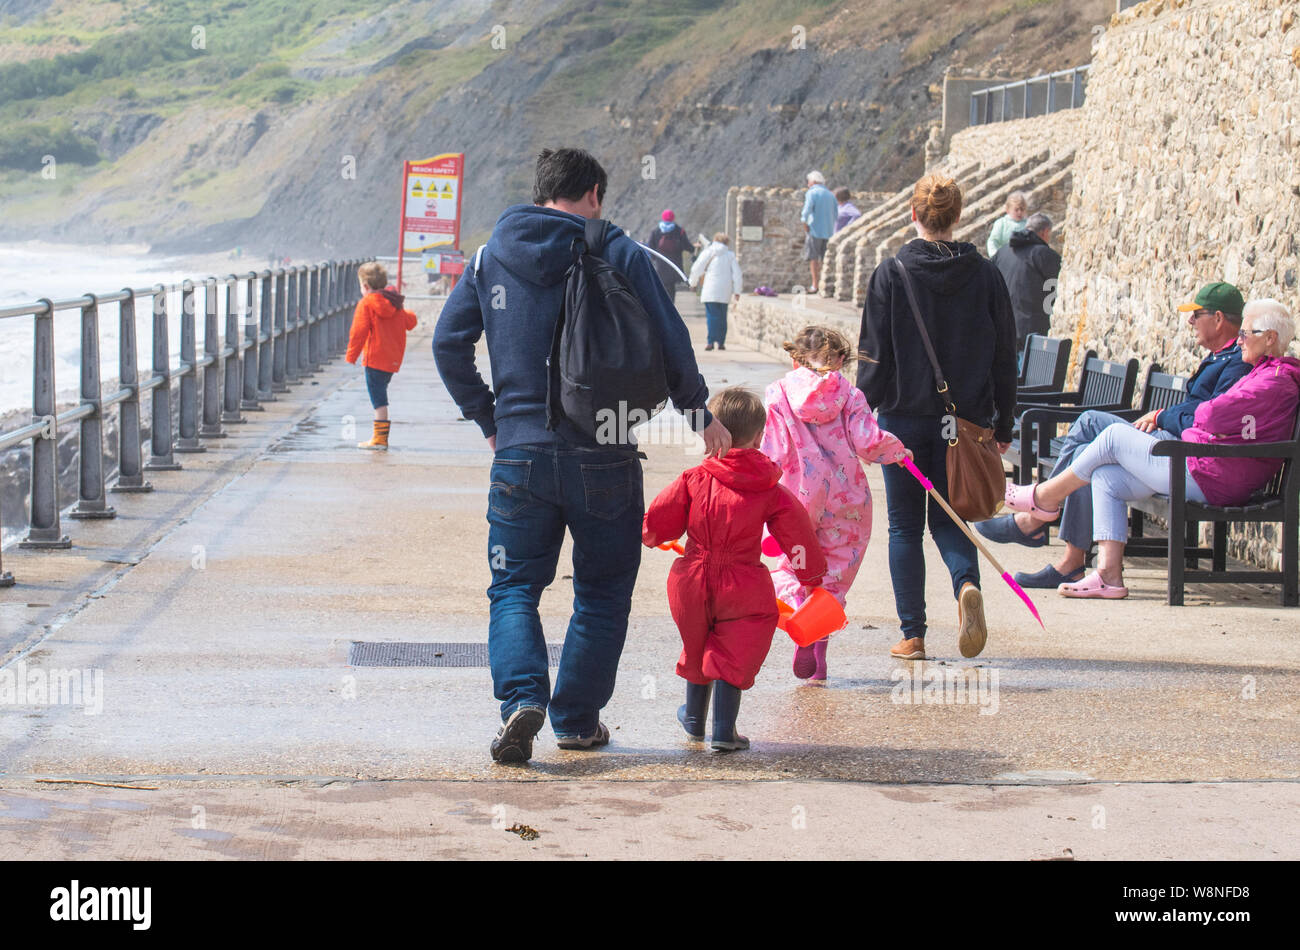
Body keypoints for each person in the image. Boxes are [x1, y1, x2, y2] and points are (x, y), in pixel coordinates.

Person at [433, 147, 731, 764]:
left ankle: (522, 699)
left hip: (519, 455)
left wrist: (490, 419)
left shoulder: (490, 257)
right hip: (606, 449)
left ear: (541, 191)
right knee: (602, 592)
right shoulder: (620, 251)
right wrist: (698, 413)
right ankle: (575, 720)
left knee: (514, 587)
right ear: (594, 193)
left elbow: (447, 344)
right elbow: (671, 337)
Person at [1001, 300, 1298, 598]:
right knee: (1106, 476)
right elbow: (1216, 417)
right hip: (1208, 466)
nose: (1240, 340)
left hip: (1213, 475)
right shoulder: (1264, 373)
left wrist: (1202, 424)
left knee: (1114, 436)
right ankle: (1108, 576)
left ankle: (1045, 497)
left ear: (1270, 338)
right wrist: (1204, 425)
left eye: (1246, 333)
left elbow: (1211, 414)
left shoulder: (1273, 381)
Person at [857, 174, 1018, 661]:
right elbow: (1004, 355)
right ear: (958, 215)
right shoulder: (986, 275)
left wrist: (858, 421)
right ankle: (966, 584)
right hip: (962, 425)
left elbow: (874, 358)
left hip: (902, 420)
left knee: (904, 527)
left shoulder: (891, 273)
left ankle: (913, 635)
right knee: (951, 518)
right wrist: (1003, 423)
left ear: (913, 214)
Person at [642, 387, 826, 752]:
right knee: (735, 648)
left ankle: (694, 720)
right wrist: (811, 578)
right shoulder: (769, 488)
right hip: (742, 582)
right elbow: (798, 534)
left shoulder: (693, 478)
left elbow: (659, 519)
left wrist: (651, 534)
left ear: (710, 433)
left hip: (691, 579)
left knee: (697, 643)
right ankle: (724, 730)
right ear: (758, 437)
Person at [761, 326, 910, 682]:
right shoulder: (851, 394)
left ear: (795, 359)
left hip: (796, 499)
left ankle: (798, 613)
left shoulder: (778, 393)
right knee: (834, 572)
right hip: (846, 499)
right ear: (841, 360)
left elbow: (773, 450)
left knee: (792, 565)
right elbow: (867, 441)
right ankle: (819, 646)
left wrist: (758, 485)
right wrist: (898, 452)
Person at [345, 262, 418, 451]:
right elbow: (411, 322)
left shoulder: (367, 303)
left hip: (374, 360)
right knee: (380, 395)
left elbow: (358, 332)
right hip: (392, 360)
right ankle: (379, 438)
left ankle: (379, 439)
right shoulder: (394, 303)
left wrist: (351, 356)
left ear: (365, 286)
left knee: (379, 401)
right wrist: (403, 310)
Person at [992, 211, 1062, 352]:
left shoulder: (1002, 252)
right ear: (1045, 232)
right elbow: (1058, 287)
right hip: (1032, 333)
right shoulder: (1044, 254)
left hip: (1002, 329)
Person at [688, 231, 742, 351]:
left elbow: (697, 268)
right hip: (725, 291)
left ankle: (710, 342)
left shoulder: (708, 252)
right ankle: (721, 342)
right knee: (722, 317)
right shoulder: (730, 255)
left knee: (712, 316)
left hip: (710, 289)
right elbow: (737, 274)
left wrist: (692, 283)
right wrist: (737, 291)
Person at [801, 170, 837, 293]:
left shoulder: (812, 193)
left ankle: (815, 285)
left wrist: (805, 224)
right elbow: (836, 214)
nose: (808, 184)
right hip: (829, 231)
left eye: (808, 181)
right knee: (825, 259)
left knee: (814, 259)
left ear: (813, 181)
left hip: (815, 230)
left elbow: (806, 211)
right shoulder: (831, 195)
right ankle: (824, 284)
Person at [647, 209, 694, 297]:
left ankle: (663, 304)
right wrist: (693, 249)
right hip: (674, 265)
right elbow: (686, 245)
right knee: (671, 289)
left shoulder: (656, 231)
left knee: (663, 288)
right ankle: (671, 304)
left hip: (661, 265)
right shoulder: (679, 231)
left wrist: (654, 258)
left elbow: (650, 246)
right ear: (673, 218)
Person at [986, 191, 1029, 258]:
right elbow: (993, 241)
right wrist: (995, 256)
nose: (1019, 212)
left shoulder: (1028, 224)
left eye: (1022, 209)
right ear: (1008, 210)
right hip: (1006, 258)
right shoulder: (1001, 223)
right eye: (1016, 209)